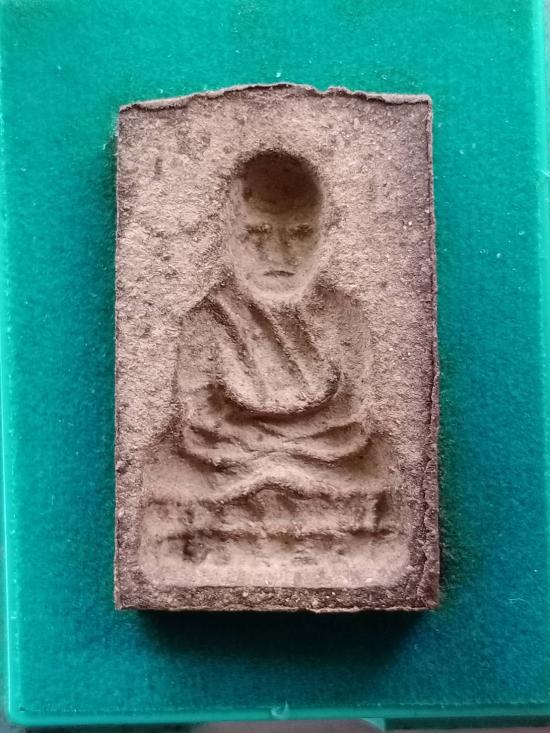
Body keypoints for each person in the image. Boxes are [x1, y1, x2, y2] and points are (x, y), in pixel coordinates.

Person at [141, 151, 395, 568]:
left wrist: (283, 439)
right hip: (231, 452)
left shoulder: (344, 315)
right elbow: (202, 407)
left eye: (300, 231)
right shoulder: (208, 318)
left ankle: (234, 534)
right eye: (257, 231)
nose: (278, 252)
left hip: (322, 451)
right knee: (165, 467)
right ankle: (307, 531)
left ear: (326, 232)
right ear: (227, 232)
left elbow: (351, 403)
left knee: (375, 466)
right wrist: (256, 438)